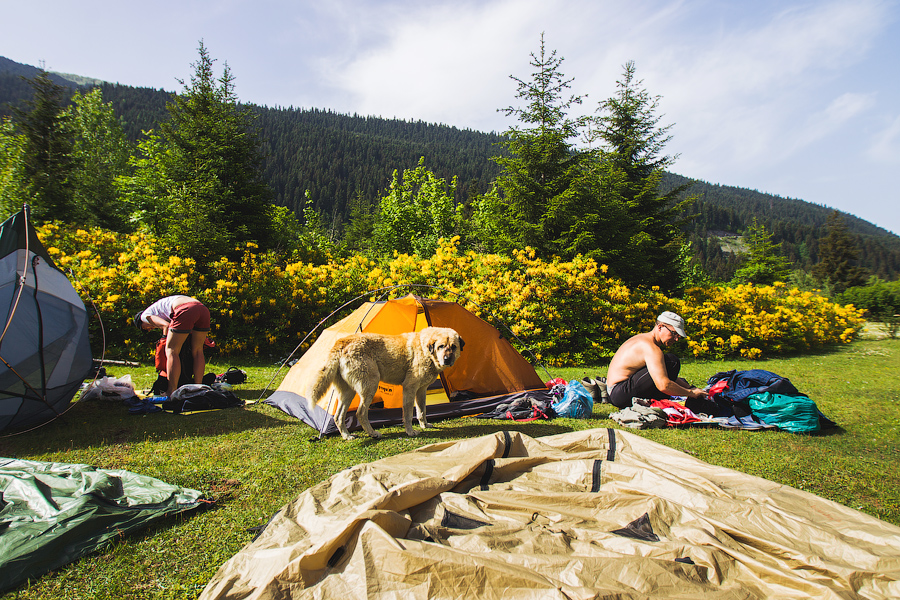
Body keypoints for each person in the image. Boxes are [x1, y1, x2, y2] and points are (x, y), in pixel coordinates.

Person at [606, 311, 709, 410]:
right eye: (674, 333)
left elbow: (660, 372)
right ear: (660, 327)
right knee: (672, 361)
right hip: (619, 393)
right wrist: (690, 393)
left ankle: (657, 402)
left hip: (616, 392)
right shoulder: (650, 348)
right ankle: (658, 403)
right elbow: (664, 385)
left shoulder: (644, 339)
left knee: (668, 363)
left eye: (678, 336)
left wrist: (691, 388)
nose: (676, 339)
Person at [134, 295, 211, 397]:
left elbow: (165, 325)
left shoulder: (145, 316)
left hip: (186, 309)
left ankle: (171, 391)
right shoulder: (159, 308)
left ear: (141, 322)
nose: (149, 329)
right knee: (197, 350)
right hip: (202, 309)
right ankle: (198, 388)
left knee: (171, 351)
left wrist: (164, 340)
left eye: (145, 328)